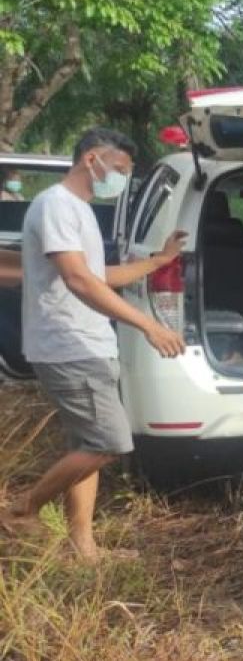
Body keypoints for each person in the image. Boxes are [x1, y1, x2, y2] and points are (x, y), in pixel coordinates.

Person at [0, 128, 187, 561]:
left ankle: (83, 548)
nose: (119, 178)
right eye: (119, 168)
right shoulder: (55, 206)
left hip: (88, 343)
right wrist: (148, 326)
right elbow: (78, 279)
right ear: (92, 160)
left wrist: (157, 261)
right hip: (69, 345)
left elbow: (100, 277)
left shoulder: (80, 210)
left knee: (86, 444)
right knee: (110, 442)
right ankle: (20, 510)